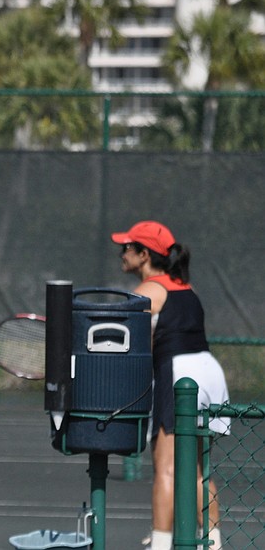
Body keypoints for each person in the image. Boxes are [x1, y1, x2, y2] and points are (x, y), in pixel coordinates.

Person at [111, 220, 230, 550]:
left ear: (144, 254)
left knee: (165, 468)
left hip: (179, 373)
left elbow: (119, 338)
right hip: (208, 371)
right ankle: (213, 542)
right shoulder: (185, 287)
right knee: (196, 469)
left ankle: (161, 544)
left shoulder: (147, 291)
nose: (121, 253)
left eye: (127, 247)